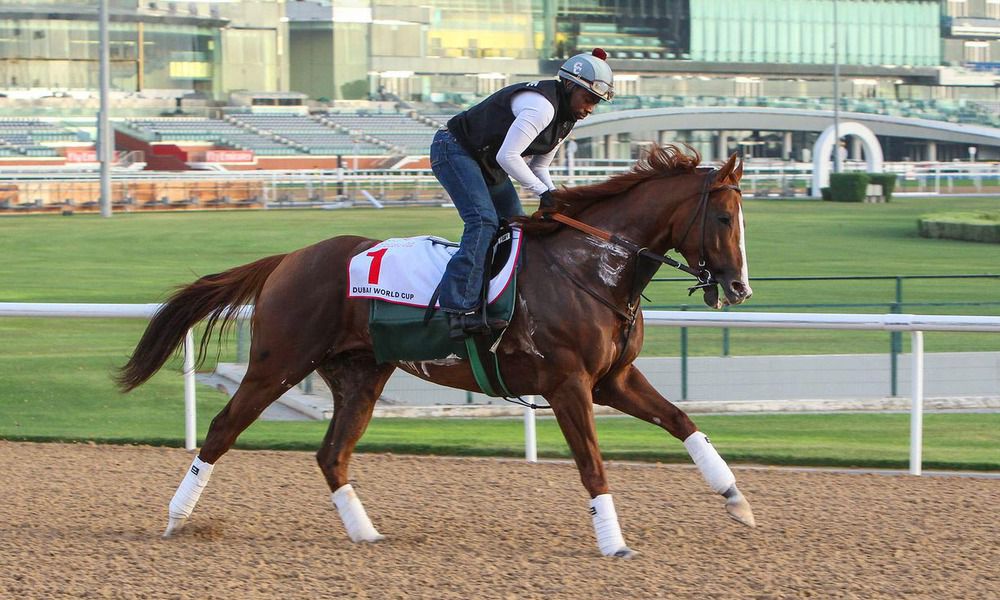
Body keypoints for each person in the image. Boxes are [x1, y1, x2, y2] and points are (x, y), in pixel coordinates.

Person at [431, 48, 615, 340]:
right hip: (454, 149)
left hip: (485, 162)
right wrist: (542, 192)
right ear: (570, 85)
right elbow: (508, 157)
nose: (591, 108)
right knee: (483, 221)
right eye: (589, 98)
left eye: (597, 102)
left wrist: (553, 194)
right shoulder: (542, 108)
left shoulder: (566, 120)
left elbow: (539, 166)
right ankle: (457, 310)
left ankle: (499, 299)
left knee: (516, 228)